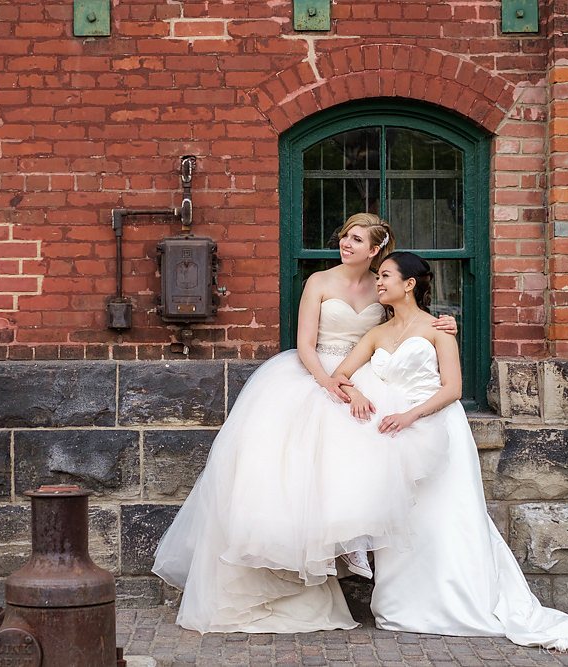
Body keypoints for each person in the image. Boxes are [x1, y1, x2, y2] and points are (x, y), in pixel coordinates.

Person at [151, 213, 457, 633]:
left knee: (365, 451)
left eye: (356, 239)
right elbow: (305, 344)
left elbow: (406, 326)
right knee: (293, 467)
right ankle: (287, 565)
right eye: (344, 236)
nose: (345, 244)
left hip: (362, 374)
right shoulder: (319, 283)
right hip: (316, 372)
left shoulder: (382, 286)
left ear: (375, 250)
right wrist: (329, 384)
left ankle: (353, 542)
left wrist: (446, 323)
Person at [329, 251, 568, 651]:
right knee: (404, 517)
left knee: (446, 515)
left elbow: (453, 389)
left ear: (409, 284)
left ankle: (460, 602)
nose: (379, 282)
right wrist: (353, 391)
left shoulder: (439, 329)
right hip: (393, 439)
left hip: (434, 427)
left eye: (386, 275)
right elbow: (341, 374)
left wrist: (410, 416)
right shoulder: (376, 333)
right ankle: (402, 606)